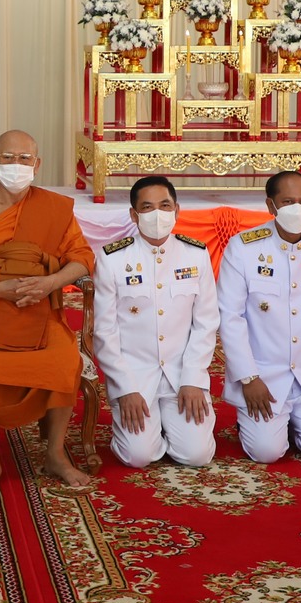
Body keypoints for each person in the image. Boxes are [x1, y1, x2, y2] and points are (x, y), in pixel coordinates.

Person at [0, 131, 98, 491]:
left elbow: (82, 259)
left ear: (37, 164)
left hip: (37, 303)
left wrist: (50, 283)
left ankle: (56, 454)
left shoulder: (54, 207)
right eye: (8, 158)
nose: (16, 165)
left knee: (63, 361)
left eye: (24, 159)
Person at [216, 170, 301, 464]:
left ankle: (296, 422)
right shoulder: (244, 248)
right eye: (288, 201)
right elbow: (230, 316)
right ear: (271, 206)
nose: (298, 208)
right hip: (263, 378)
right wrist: (248, 377)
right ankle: (255, 422)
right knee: (266, 452)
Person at [88, 176, 218, 469]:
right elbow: (105, 330)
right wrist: (124, 388)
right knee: (138, 457)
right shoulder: (113, 258)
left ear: (177, 210)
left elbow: (206, 322)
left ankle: (173, 425)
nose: (157, 214)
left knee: (197, 456)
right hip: (135, 374)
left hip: (180, 372)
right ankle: (145, 426)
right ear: (134, 215)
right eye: (147, 207)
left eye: (165, 205)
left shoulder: (195, 255)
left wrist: (193, 379)